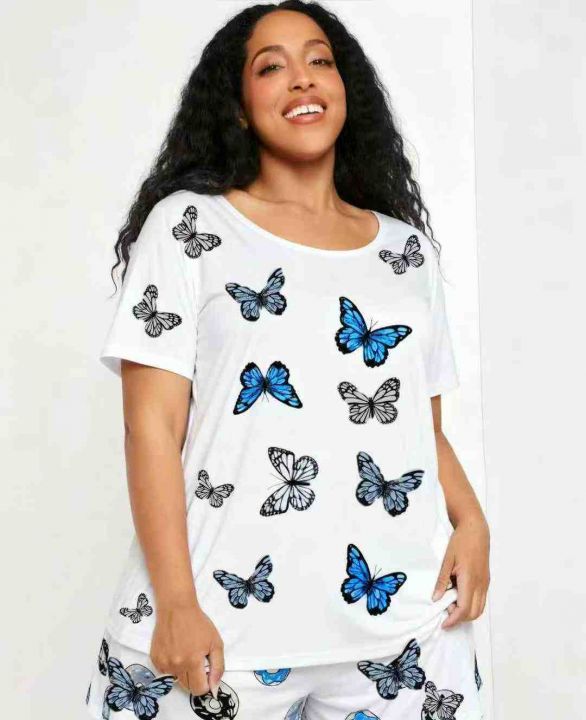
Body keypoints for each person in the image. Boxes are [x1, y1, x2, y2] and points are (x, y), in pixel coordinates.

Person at [85, 2, 490, 718]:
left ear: (345, 89)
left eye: (319, 60)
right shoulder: (188, 228)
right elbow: (150, 429)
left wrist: (473, 521)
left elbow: (419, 429)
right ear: (239, 109)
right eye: (270, 67)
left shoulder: (404, 252)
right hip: (221, 632)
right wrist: (175, 604)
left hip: (401, 627)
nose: (302, 78)